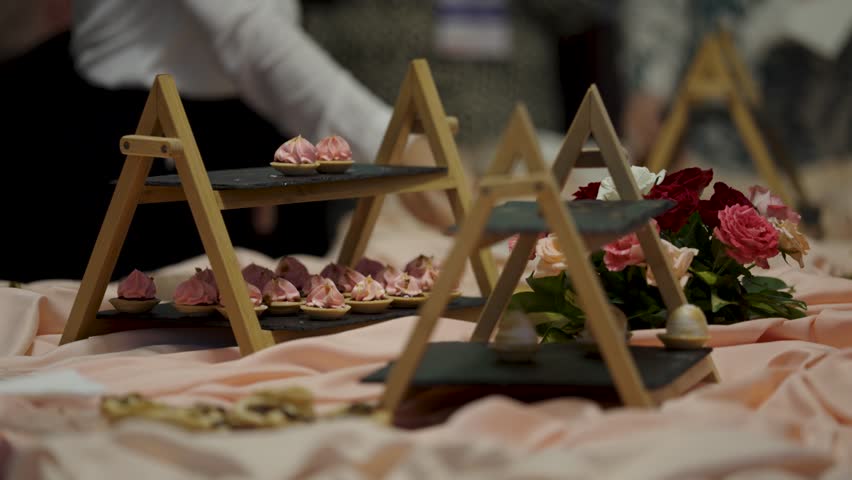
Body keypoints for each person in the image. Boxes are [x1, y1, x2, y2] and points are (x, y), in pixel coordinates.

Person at [0, 0, 443, 281]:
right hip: (134, 134)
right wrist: (389, 137)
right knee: (142, 333)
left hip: (244, 117)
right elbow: (247, 27)